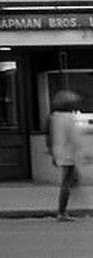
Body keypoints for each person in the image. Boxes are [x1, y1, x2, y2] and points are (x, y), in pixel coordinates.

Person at [49, 90, 84, 222]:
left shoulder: (55, 117)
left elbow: (52, 137)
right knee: (67, 183)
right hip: (69, 153)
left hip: (60, 151)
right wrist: (80, 151)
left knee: (69, 180)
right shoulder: (68, 118)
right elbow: (74, 138)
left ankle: (62, 210)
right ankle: (62, 212)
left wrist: (53, 152)